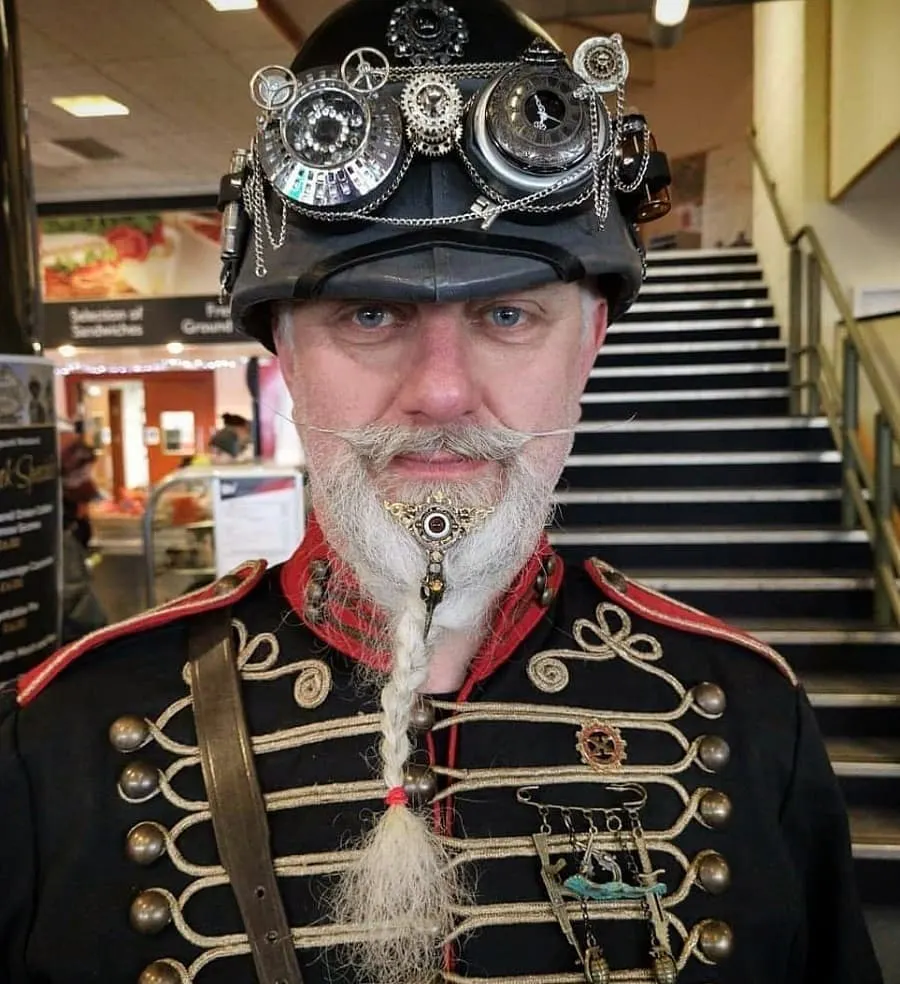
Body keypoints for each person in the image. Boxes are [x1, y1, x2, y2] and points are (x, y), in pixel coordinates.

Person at [0, 2, 883, 983]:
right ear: (283, 350)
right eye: (370, 313)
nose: (443, 391)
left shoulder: (747, 719)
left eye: (509, 314)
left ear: (587, 346)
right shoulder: (64, 741)